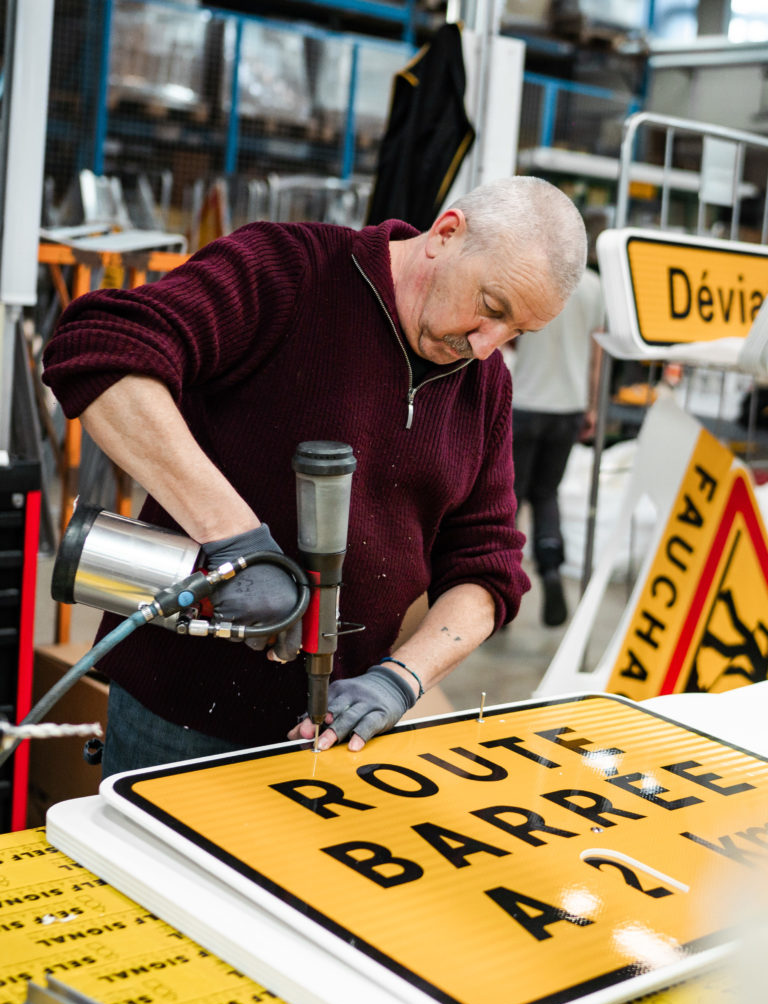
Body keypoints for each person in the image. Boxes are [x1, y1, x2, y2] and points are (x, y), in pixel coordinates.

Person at [42, 176, 587, 775]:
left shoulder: (485, 388)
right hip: (177, 719)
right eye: (491, 308)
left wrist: (401, 678)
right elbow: (100, 349)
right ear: (447, 234)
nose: (487, 347)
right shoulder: (290, 270)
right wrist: (237, 543)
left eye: (517, 334)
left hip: (328, 737)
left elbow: (488, 570)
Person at [504, 266, 604, 627]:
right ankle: (549, 567)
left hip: (526, 403)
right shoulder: (595, 286)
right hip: (570, 407)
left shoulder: (535, 276)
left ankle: (501, 586)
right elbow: (597, 353)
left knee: (509, 499)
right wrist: (592, 405)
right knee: (547, 493)